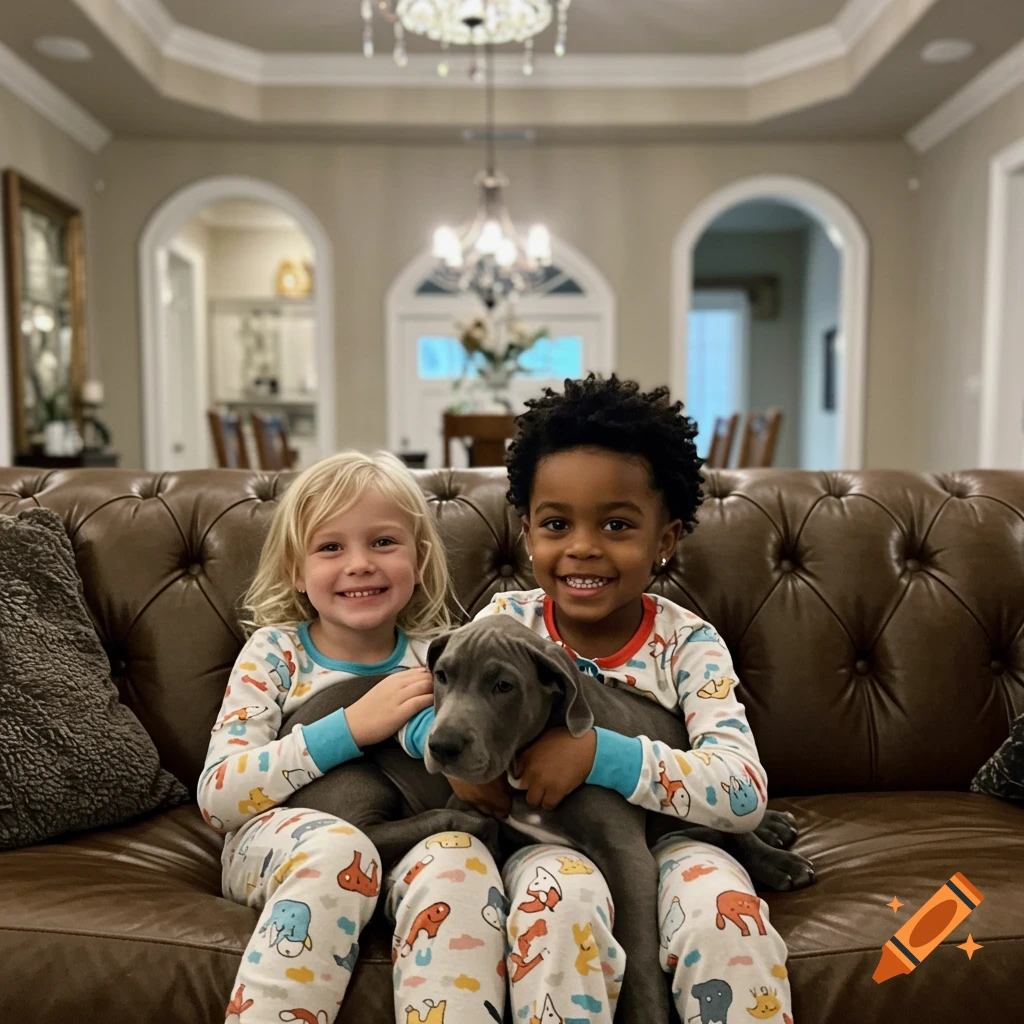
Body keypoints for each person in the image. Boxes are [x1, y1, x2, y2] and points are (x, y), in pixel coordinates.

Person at [399, 375, 794, 1024]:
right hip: (540, 847)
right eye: (556, 523)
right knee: (557, 911)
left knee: (728, 924)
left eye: (616, 523)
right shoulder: (505, 621)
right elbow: (423, 701)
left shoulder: (686, 643)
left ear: (664, 541)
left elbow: (743, 792)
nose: (583, 546)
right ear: (527, 531)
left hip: (676, 843)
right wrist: (454, 764)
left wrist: (598, 755)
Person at [198, 450, 481, 1024]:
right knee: (337, 849)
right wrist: (348, 729)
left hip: (406, 844)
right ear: (295, 572)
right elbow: (219, 799)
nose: (360, 564)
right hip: (282, 849)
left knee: (463, 857)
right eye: (331, 547)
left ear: (420, 559)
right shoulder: (275, 655)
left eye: (383, 542)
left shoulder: (441, 658)